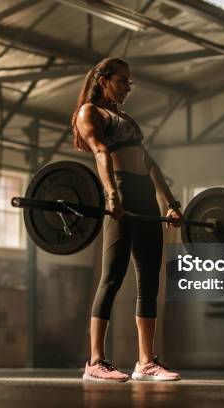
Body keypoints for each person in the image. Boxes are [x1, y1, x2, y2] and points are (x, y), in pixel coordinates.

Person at [72, 57, 183, 382]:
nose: (128, 87)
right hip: (120, 189)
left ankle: (145, 363)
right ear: (103, 80)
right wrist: (111, 195)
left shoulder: (126, 118)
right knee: (112, 277)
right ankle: (95, 362)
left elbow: (149, 163)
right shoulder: (89, 112)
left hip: (145, 195)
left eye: (129, 82)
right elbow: (101, 153)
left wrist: (171, 204)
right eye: (122, 81)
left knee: (149, 278)